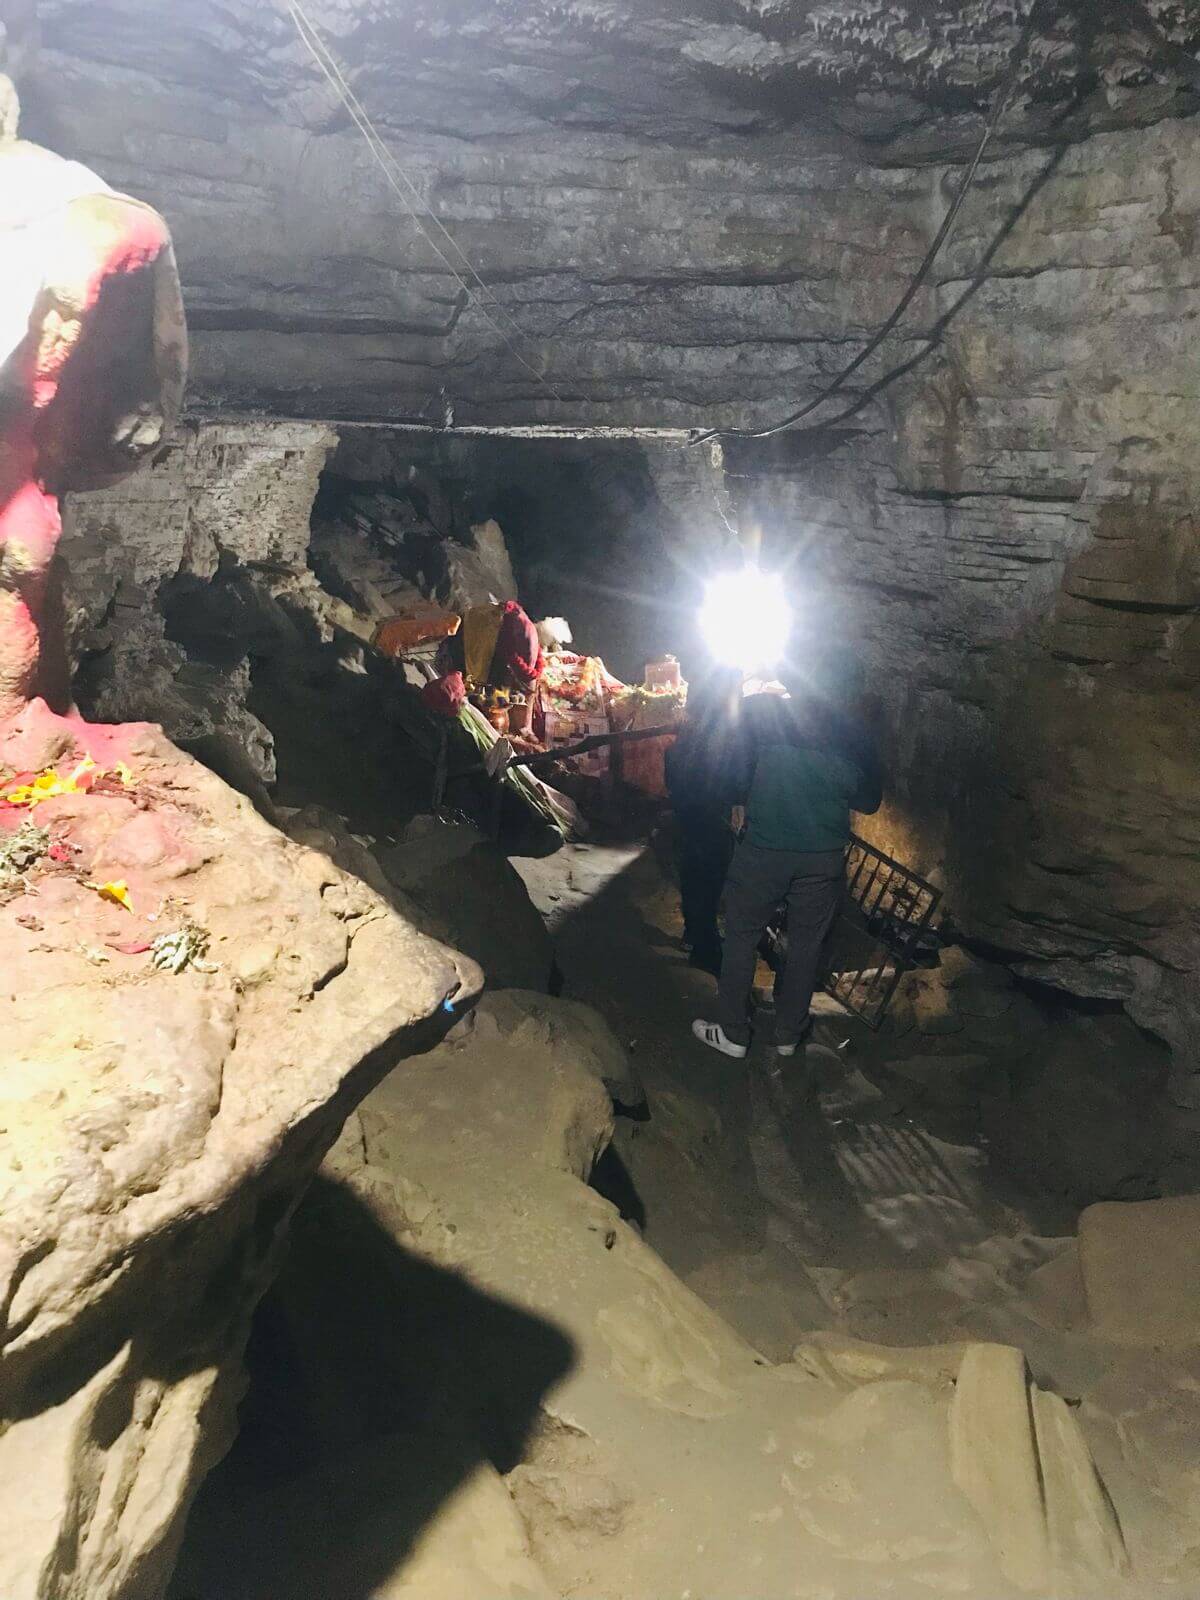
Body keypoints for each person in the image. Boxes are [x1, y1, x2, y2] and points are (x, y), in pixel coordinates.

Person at [692, 653, 882, 1060]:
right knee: (806, 947)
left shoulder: (765, 712)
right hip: (822, 858)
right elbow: (869, 802)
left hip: (765, 849)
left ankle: (733, 1034)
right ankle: (787, 1036)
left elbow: (729, 769)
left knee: (742, 936)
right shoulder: (857, 736)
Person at [664, 665, 743, 975]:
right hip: (710, 813)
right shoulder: (721, 730)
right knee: (709, 878)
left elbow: (673, 769)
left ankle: (696, 933)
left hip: (690, 810)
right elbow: (729, 774)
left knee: (693, 872)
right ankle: (705, 946)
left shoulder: (690, 729)